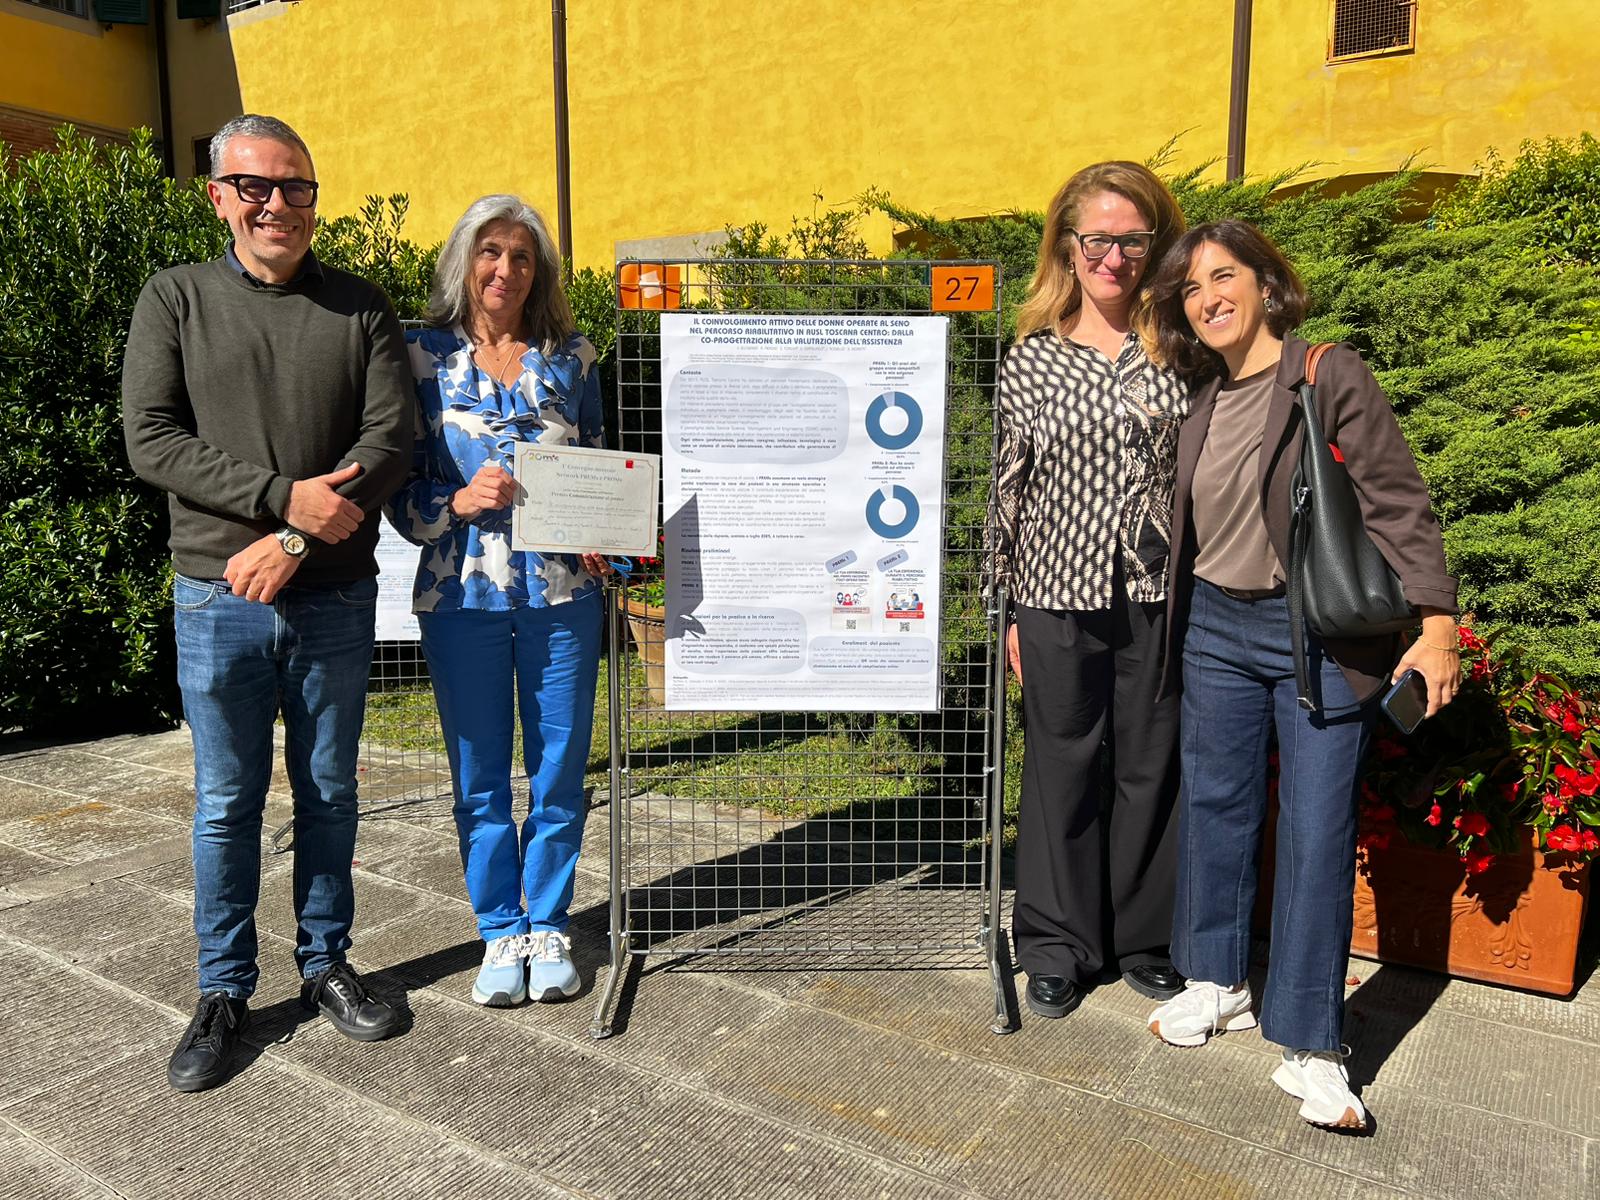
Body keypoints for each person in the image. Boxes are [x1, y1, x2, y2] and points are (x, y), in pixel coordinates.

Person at [1139, 219, 1459, 1131]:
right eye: (1191, 290)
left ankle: (1316, 1046)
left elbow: (1397, 498)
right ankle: (1217, 978)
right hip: (1213, 630)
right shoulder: (1201, 395)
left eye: (1224, 277)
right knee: (1216, 806)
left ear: (1266, 283)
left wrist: (1437, 624)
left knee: (1317, 831)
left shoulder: (1324, 373)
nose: (1208, 299)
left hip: (1311, 637)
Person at [122, 114, 414, 1092]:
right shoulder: (175, 300)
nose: (277, 204)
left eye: (296, 187)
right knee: (225, 805)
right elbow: (150, 439)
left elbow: (389, 443)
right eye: (256, 186)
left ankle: (326, 963)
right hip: (217, 597)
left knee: (330, 795)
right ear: (220, 196)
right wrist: (277, 498)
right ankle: (222, 990)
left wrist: (293, 536)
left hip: (330, 596)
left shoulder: (360, 308)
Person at [386, 195, 613, 1008]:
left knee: (558, 766)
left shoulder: (574, 356)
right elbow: (398, 489)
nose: (505, 270)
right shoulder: (419, 355)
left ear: (539, 271)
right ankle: (499, 928)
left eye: (522, 256)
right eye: (491, 252)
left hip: (562, 598)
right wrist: (456, 503)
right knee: (479, 775)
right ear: (464, 261)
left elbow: (600, 469)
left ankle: (548, 920)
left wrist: (605, 536)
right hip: (460, 598)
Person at [985, 162, 1190, 1020]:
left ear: (1155, 244)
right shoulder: (1030, 358)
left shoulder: (1182, 348)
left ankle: (1145, 937)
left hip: (1158, 589)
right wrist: (1001, 610)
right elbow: (1006, 489)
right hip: (1055, 589)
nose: (1114, 255)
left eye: (1132, 238)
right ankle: (1057, 941)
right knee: (1063, 768)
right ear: (1067, 246)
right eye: (1097, 238)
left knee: (1150, 765)